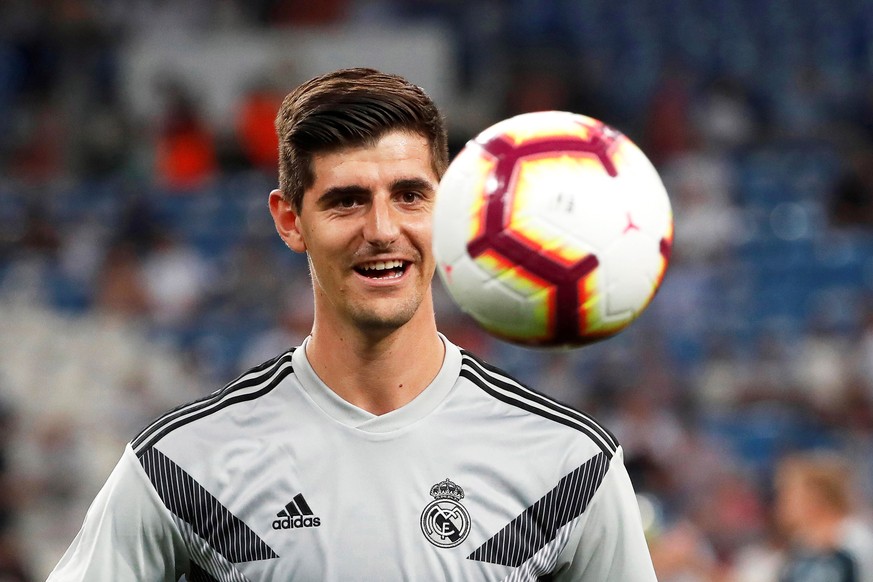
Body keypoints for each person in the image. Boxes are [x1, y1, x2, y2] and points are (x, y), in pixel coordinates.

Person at [47, 67, 656, 581]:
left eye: (410, 195)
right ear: (290, 221)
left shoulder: (569, 464)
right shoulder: (184, 465)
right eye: (347, 201)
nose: (383, 229)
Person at [775, 451, 873, 582]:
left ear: (815, 497)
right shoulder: (801, 544)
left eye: (790, 494)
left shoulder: (856, 540)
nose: (783, 502)